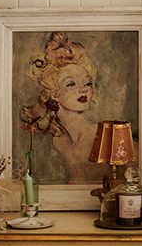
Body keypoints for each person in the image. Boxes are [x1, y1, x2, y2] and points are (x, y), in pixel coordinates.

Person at [21, 31, 100, 183]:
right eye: (71, 84)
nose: (84, 89)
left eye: (88, 83)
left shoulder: (105, 137)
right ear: (53, 94)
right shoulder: (50, 143)